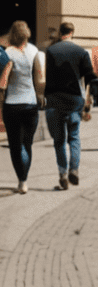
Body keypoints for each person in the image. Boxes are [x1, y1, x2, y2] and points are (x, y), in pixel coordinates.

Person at [44, 22, 95, 189]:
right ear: (72, 32)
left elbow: (48, 76)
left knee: (59, 140)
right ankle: (74, 170)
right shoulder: (81, 52)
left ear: (60, 32)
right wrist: (88, 100)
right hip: (74, 100)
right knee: (74, 136)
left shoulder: (51, 51)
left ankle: (63, 174)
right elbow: (89, 78)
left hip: (55, 99)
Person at [2, 20, 43, 192]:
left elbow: (3, 81)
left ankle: (22, 180)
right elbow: (40, 78)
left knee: (15, 145)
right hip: (31, 103)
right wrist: (40, 96)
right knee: (27, 144)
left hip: (12, 104)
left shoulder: (8, 53)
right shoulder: (34, 51)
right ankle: (24, 179)